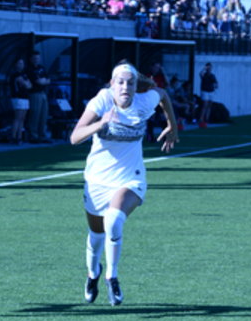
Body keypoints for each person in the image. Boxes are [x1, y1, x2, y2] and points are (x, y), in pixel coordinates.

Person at [70, 62, 179, 306]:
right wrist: (100, 123)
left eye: (130, 83)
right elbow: (75, 137)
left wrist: (172, 125)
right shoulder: (102, 101)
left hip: (130, 178)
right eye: (120, 82)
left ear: (135, 86)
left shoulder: (143, 101)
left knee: (114, 220)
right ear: (112, 85)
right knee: (96, 234)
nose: (125, 87)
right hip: (97, 179)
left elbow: (163, 94)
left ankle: (112, 276)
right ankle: (93, 274)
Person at [26, 51, 51, 143]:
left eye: (38, 58)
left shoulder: (42, 68)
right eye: (35, 58)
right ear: (31, 59)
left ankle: (42, 135)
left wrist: (43, 81)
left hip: (43, 93)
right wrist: (43, 81)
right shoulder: (29, 69)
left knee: (44, 115)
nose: (36, 60)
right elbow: (38, 81)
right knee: (35, 115)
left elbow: (48, 80)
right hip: (34, 94)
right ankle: (33, 136)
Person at [9, 58, 31, 144]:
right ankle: (13, 137)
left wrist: (27, 84)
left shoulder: (24, 74)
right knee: (17, 118)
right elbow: (25, 84)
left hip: (25, 98)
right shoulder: (15, 75)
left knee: (22, 118)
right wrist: (26, 84)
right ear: (16, 65)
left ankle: (19, 136)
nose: (21, 65)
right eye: (19, 63)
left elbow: (30, 85)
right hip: (18, 98)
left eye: (22, 63)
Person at [198, 62, 218, 127]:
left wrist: (216, 85)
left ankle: (207, 118)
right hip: (205, 91)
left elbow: (216, 82)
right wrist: (204, 68)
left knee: (209, 105)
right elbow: (200, 74)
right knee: (205, 105)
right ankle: (201, 118)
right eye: (208, 67)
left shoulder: (212, 75)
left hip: (211, 91)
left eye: (210, 67)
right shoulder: (204, 74)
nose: (209, 68)